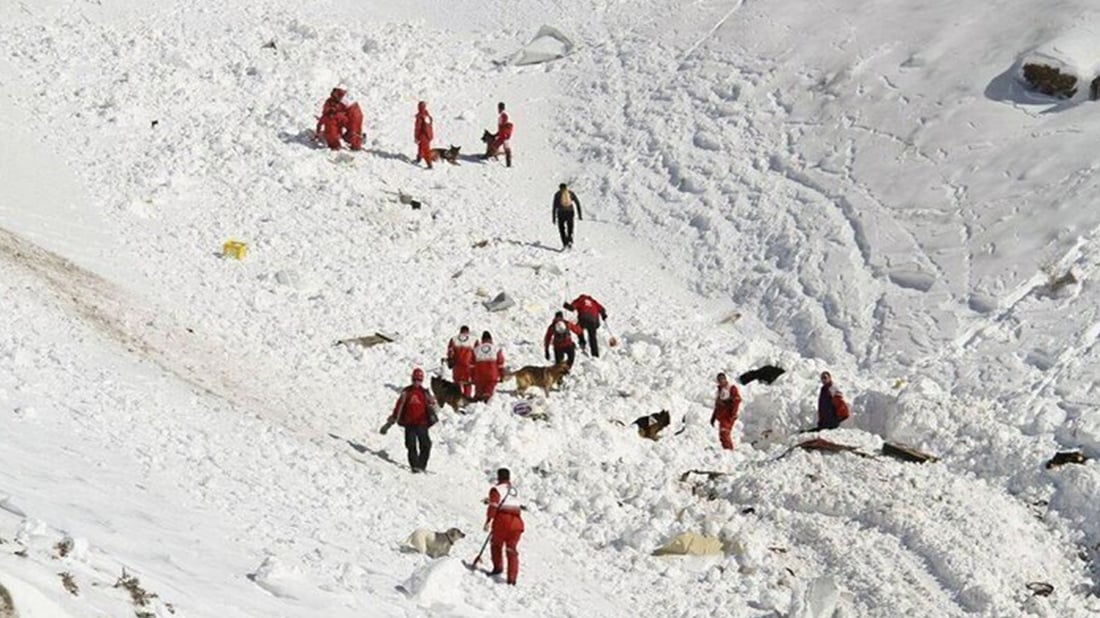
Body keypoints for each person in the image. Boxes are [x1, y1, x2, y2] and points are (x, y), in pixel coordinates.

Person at [383, 368, 439, 473]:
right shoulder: (406, 392)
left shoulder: (425, 393)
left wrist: (433, 404)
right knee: (411, 445)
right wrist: (392, 419)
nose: (416, 382)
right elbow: (399, 406)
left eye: (419, 380)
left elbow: (434, 407)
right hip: (409, 424)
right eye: (414, 379)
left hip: (422, 423)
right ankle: (414, 466)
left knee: (426, 444)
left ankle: (421, 465)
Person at [484, 467, 524, 585]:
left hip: (503, 522)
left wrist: (488, 521)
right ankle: (512, 579)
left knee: (496, 544)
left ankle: (498, 568)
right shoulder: (514, 490)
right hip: (517, 523)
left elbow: (493, 506)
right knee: (511, 550)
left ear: (498, 477)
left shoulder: (496, 489)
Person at [710, 372, 742, 450]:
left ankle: (729, 450)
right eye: (719, 380)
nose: (721, 381)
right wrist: (713, 417)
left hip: (728, 415)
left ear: (725, 379)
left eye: (722, 379)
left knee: (725, 433)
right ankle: (726, 451)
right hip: (721, 416)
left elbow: (737, 400)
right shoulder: (719, 390)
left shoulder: (731, 388)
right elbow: (717, 405)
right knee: (722, 435)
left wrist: (733, 413)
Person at [472, 331, 505, 402]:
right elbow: (500, 363)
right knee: (489, 390)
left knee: (478, 392)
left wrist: (472, 376)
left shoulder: (476, 349)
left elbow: (472, 365)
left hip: (479, 375)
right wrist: (502, 375)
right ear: (491, 339)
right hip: (492, 374)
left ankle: (476, 402)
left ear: (482, 339)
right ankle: (486, 399)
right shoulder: (496, 349)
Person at [446, 325, 477, 398]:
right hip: (468, 367)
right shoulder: (473, 340)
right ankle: (467, 399)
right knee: (467, 384)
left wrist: (450, 360)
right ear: (468, 332)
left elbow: (450, 351)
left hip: (457, 366)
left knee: (457, 384)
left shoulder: (454, 339)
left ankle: (457, 398)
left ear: (460, 331)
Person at [551, 184, 582, 249]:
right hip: (570, 212)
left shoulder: (557, 194)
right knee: (570, 228)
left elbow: (554, 206)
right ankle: (570, 241)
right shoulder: (570, 193)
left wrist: (553, 218)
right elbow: (577, 203)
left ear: (560, 188)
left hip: (561, 213)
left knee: (562, 229)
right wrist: (580, 214)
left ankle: (565, 244)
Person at [487, 102, 513, 167]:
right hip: (504, 135)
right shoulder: (503, 115)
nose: (498, 110)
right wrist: (497, 134)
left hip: (504, 136)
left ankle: (508, 164)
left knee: (501, 148)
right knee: (502, 148)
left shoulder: (503, 116)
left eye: (498, 108)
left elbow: (504, 127)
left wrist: (501, 134)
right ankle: (508, 164)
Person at [414, 101, 434, 169]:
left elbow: (418, 128)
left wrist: (416, 137)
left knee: (425, 150)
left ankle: (429, 164)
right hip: (428, 135)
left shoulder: (420, 117)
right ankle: (418, 159)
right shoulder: (427, 115)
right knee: (420, 147)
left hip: (422, 136)